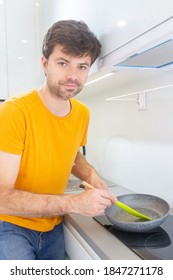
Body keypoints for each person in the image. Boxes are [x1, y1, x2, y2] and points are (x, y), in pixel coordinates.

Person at [0, 20, 116, 260]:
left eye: (82, 66)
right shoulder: (14, 111)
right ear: (45, 64)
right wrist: (74, 203)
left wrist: (89, 174)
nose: (73, 76)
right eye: (63, 63)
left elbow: (71, 153)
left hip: (52, 226)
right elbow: (2, 199)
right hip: (10, 226)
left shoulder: (82, 113)